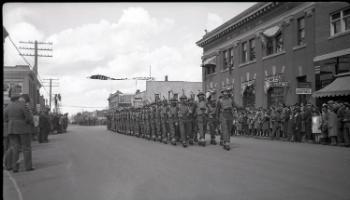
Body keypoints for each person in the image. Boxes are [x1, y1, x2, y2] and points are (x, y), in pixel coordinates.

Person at [4, 94, 35, 172]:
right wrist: (28, 121)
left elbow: (5, 118)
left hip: (11, 129)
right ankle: (28, 167)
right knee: (26, 148)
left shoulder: (8, 106)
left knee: (15, 148)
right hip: (23, 128)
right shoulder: (24, 105)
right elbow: (29, 118)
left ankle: (15, 168)